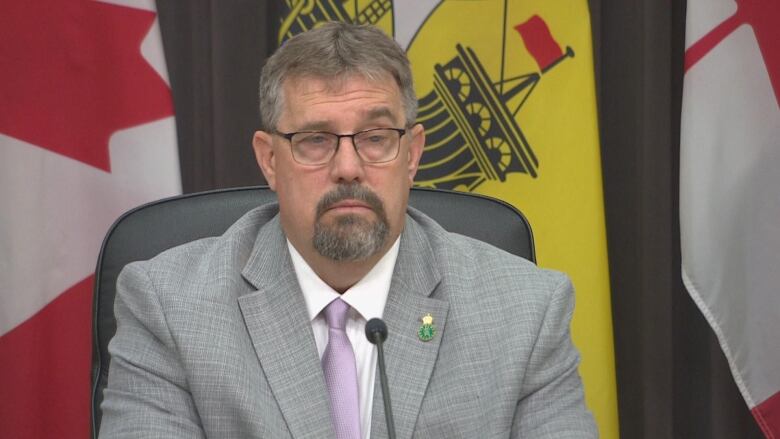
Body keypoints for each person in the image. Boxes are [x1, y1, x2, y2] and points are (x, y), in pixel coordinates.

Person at [99, 21, 597, 438]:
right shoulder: (169, 307)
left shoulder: (525, 310)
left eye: (376, 138)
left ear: (413, 155)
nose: (348, 167)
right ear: (270, 160)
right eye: (315, 140)